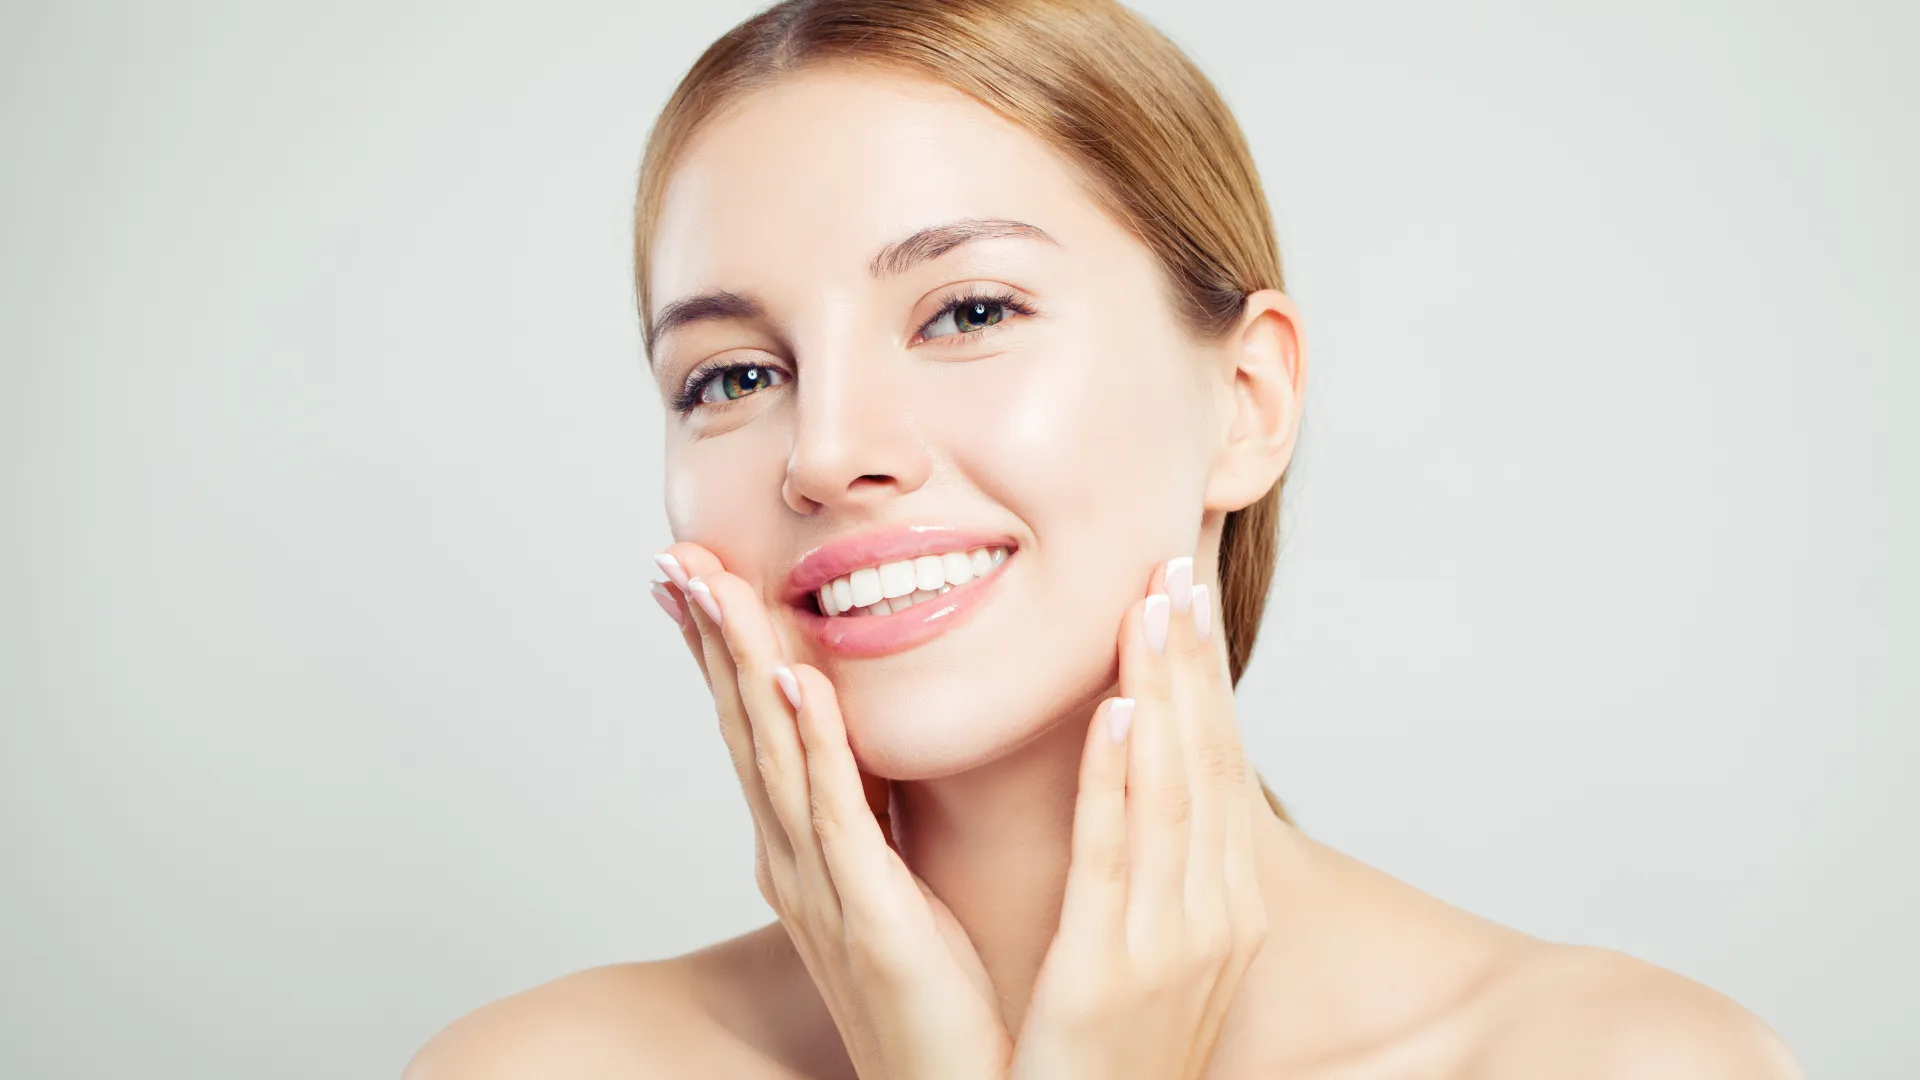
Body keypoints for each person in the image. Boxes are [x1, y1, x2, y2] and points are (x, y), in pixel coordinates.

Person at [407, 1, 1802, 1075]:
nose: (826, 451)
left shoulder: (1610, 1062)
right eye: (731, 378)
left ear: (1246, 400)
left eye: (967, 312)